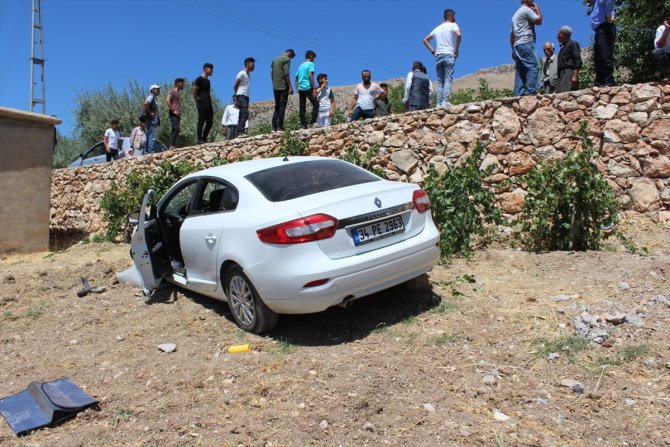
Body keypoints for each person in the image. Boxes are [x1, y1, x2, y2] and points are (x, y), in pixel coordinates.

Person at [423, 9, 461, 107]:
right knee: (448, 78)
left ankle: (439, 103)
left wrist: (433, 51)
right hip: (448, 54)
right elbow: (459, 35)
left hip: (438, 56)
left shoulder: (437, 28)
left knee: (440, 81)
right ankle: (445, 101)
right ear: (451, 16)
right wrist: (456, 50)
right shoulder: (454, 25)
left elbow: (425, 40)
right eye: (454, 16)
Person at [510, 0, 543, 96]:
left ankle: (518, 94)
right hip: (526, 42)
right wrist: (537, 9)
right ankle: (530, 93)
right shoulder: (526, 10)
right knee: (534, 66)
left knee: (521, 71)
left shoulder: (515, 15)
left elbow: (512, 35)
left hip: (517, 45)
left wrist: (513, 49)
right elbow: (539, 21)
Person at [587, 0, 616, 87]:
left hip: (606, 26)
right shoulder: (595, 3)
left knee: (605, 55)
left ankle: (609, 81)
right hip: (599, 30)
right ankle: (599, 81)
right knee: (598, 57)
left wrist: (608, 14)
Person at [271, 49, 295, 132]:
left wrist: (274, 84)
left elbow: (272, 73)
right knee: (282, 106)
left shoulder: (275, 59)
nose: (291, 59)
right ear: (290, 54)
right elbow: (286, 73)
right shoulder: (286, 59)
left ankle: (274, 127)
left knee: (277, 106)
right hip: (283, 86)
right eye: (291, 57)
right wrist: (290, 86)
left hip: (275, 86)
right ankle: (280, 126)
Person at [295, 50, 319, 129]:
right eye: (314, 58)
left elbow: (295, 78)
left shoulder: (301, 65)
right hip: (308, 87)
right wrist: (314, 87)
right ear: (311, 56)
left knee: (302, 106)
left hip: (301, 88)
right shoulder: (311, 64)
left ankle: (303, 124)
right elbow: (310, 75)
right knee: (316, 104)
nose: (314, 60)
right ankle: (313, 122)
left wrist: (297, 88)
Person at [555, 26, 582, 93]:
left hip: (568, 74)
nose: (557, 37)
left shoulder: (573, 44)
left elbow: (577, 61)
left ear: (564, 34)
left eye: (559, 34)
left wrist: (575, 76)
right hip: (561, 75)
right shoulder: (563, 47)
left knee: (566, 94)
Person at [234, 57, 255, 138]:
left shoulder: (248, 75)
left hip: (246, 96)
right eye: (252, 64)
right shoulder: (242, 73)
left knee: (242, 114)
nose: (254, 66)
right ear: (248, 64)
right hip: (241, 95)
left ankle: (239, 132)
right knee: (245, 113)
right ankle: (239, 132)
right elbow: (235, 85)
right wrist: (236, 96)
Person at [194, 63, 214, 144]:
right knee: (201, 120)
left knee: (210, 121)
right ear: (206, 69)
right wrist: (197, 102)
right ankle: (199, 139)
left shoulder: (208, 81)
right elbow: (194, 91)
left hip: (208, 103)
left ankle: (204, 138)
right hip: (202, 103)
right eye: (211, 69)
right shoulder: (199, 79)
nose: (212, 71)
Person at [166, 78, 184, 149]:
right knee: (176, 128)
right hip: (173, 113)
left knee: (176, 129)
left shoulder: (178, 93)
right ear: (177, 83)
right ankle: (171, 145)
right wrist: (173, 110)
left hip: (177, 114)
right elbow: (167, 100)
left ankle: (172, 145)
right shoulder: (172, 91)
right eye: (182, 83)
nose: (183, 85)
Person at [653, 7, 670, 76]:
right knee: (656, 53)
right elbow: (659, 46)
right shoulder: (661, 28)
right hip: (667, 56)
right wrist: (667, 29)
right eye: (668, 15)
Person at [143, 84, 160, 153]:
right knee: (152, 135)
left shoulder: (154, 98)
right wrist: (150, 113)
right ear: (153, 90)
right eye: (157, 89)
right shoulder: (151, 97)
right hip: (151, 119)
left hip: (152, 119)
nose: (159, 90)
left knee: (149, 134)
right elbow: (146, 103)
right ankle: (151, 151)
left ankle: (147, 151)